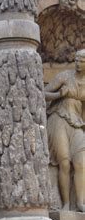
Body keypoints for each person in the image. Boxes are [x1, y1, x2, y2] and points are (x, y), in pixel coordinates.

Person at [45, 49, 85, 211]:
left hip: (77, 122)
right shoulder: (64, 77)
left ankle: (81, 203)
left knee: (81, 163)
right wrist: (61, 94)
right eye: (76, 60)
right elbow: (42, 94)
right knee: (64, 162)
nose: (77, 63)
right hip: (58, 119)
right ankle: (66, 204)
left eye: (81, 60)